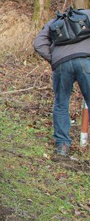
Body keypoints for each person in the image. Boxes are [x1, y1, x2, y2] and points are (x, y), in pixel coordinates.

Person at [33, 9, 90, 158]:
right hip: (86, 61)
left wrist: (54, 59)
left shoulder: (53, 22)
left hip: (61, 64)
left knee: (61, 103)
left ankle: (62, 146)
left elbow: (38, 44)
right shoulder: (87, 15)